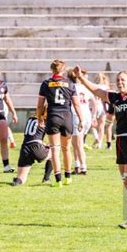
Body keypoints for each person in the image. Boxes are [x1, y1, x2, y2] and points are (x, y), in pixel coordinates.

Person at [75, 60, 127, 229]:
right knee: (126, 181)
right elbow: (96, 90)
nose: (120, 82)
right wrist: (81, 78)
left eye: (124, 80)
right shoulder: (115, 97)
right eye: (118, 80)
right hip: (121, 140)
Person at [36, 59, 83, 187]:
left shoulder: (46, 84)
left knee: (54, 150)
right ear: (63, 70)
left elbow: (40, 105)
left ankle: (58, 180)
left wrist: (39, 117)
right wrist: (81, 119)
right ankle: (68, 177)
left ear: (52, 70)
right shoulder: (70, 84)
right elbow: (77, 104)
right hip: (67, 117)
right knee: (66, 149)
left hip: (53, 117)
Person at [12, 109, 53, 186]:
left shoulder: (30, 119)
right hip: (36, 147)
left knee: (21, 179)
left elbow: (32, 137)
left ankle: (16, 181)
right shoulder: (43, 121)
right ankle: (46, 179)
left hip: (25, 147)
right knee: (54, 153)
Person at [68, 68, 97, 175]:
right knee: (76, 143)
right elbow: (94, 103)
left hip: (77, 116)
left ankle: (83, 167)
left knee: (78, 143)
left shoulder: (72, 87)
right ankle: (77, 166)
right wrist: (93, 116)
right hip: (86, 117)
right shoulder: (86, 88)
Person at [90, 73, 109, 149]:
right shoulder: (105, 87)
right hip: (102, 106)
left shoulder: (93, 86)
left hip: (94, 106)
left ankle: (96, 137)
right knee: (101, 126)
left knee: (93, 125)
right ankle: (100, 143)